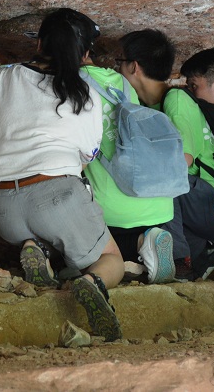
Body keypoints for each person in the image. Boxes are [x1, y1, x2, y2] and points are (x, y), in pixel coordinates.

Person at [0, 8, 124, 341]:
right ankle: (92, 283)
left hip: (1, 210)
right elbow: (86, 158)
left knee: (49, 232)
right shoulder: (84, 94)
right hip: (56, 198)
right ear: (84, 55)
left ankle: (36, 249)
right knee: (110, 258)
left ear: (39, 43)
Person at [118, 30, 214, 281]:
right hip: (198, 210)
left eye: (119, 62)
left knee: (164, 180)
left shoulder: (176, 99)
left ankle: (178, 260)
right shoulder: (147, 107)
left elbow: (183, 161)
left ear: (133, 66)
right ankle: (199, 257)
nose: (117, 70)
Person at [78, 23, 176, 285]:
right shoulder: (124, 86)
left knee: (84, 240)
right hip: (160, 204)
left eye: (119, 62)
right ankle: (148, 240)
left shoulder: (69, 83)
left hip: (116, 208)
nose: (117, 66)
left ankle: (140, 244)